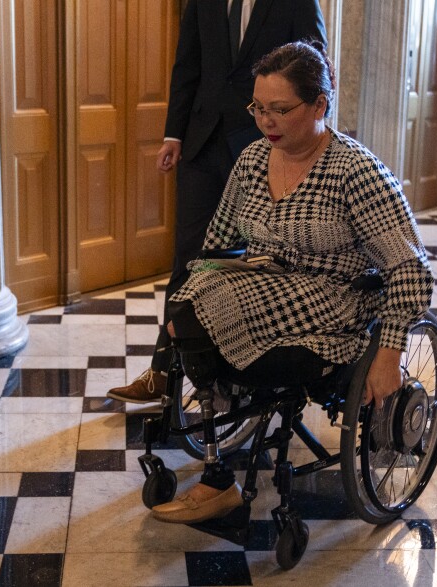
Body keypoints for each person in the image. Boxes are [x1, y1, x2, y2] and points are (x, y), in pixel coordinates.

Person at [148, 41, 434, 524]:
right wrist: (204, 283)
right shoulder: (254, 159)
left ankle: (221, 468)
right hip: (268, 281)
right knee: (188, 304)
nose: (266, 121)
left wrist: (389, 354)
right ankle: (219, 463)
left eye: (280, 109)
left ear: (321, 104)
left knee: (208, 319)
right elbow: (217, 241)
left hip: (337, 299)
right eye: (258, 108)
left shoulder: (356, 172)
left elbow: (409, 270)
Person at [107, 0, 327, 404]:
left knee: (258, 260)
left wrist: (309, 147)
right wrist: (173, 133)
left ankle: (242, 371)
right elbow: (187, 66)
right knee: (189, 259)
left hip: (266, 146)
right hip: (203, 144)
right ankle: (163, 373)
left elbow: (316, 68)